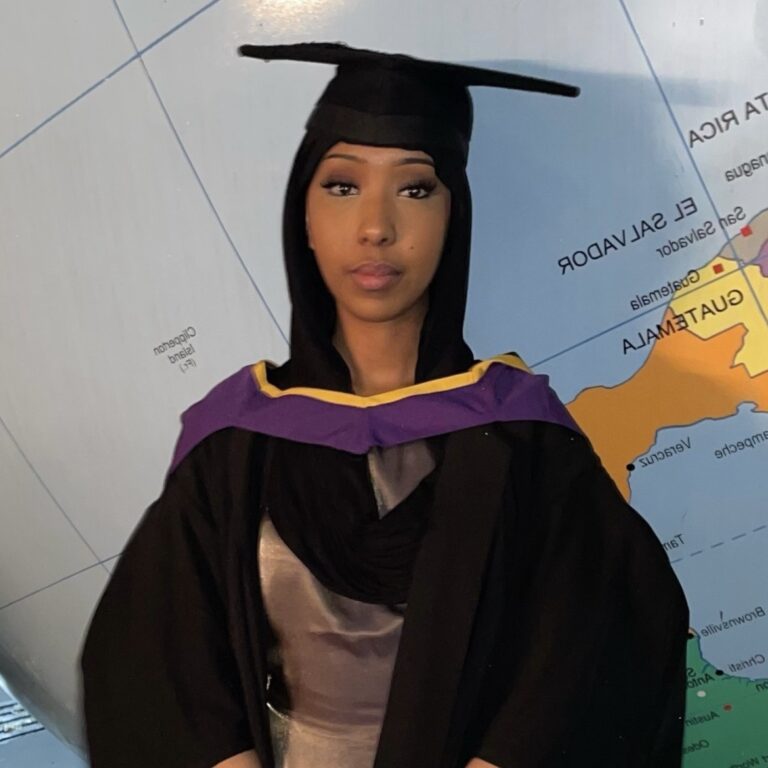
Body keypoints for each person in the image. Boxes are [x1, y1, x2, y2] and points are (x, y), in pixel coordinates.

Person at [80, 43, 690, 768]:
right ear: (302, 217)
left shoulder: (522, 439)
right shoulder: (235, 441)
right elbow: (151, 659)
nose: (375, 225)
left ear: (454, 217)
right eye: (342, 186)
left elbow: (605, 643)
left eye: (415, 189)